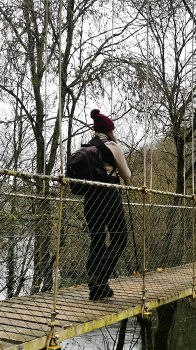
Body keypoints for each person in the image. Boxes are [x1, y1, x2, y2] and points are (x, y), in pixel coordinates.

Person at [84, 109, 131, 300]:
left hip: (89, 199)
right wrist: (118, 174)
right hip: (109, 198)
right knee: (120, 237)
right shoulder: (113, 147)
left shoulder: (87, 148)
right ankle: (100, 276)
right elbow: (127, 176)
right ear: (109, 130)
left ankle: (98, 288)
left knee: (97, 239)